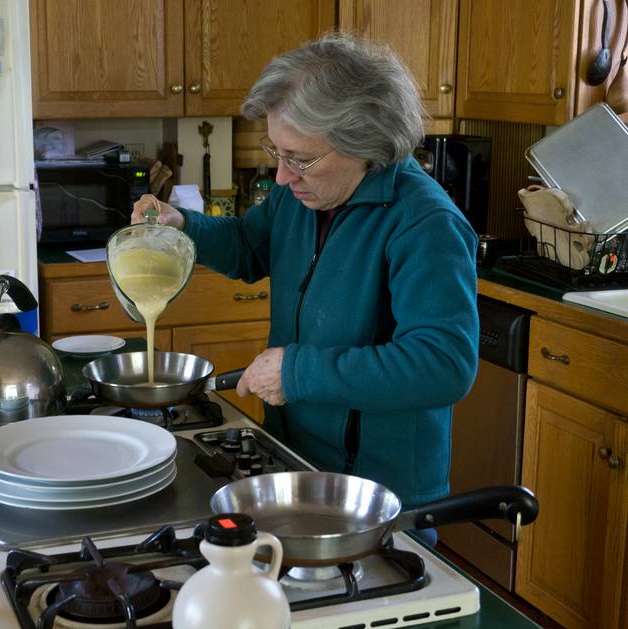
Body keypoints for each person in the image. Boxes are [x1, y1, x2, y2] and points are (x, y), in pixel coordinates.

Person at [131, 34, 479, 532]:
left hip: (378, 494)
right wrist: (183, 225)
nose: (281, 175)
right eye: (277, 151)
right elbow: (251, 247)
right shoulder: (300, 195)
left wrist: (298, 372)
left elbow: (443, 365)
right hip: (294, 460)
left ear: (363, 143)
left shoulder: (425, 224)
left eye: (300, 157)